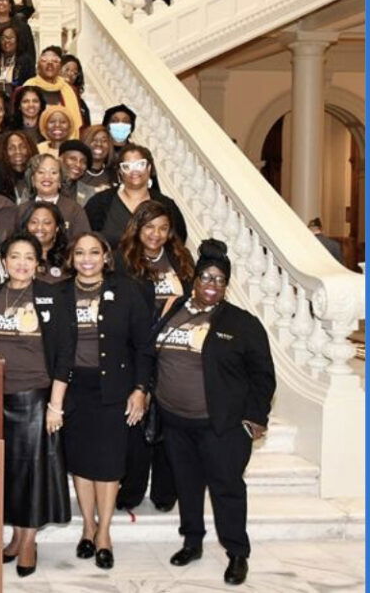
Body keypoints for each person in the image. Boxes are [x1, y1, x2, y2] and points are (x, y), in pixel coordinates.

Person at [154, 239, 275, 586]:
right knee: (188, 486)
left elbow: (263, 376)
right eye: (206, 277)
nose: (212, 285)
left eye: (220, 280)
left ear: (226, 285)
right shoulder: (173, 309)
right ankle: (192, 542)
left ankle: (237, 553)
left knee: (227, 489)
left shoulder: (242, 323)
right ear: (195, 279)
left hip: (220, 426)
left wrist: (254, 419)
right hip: (175, 422)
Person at [42, 232, 152, 571]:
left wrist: (140, 389)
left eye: (94, 252)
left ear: (106, 256)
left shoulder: (127, 291)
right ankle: (87, 527)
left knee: (108, 464)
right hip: (75, 390)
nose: (86, 259)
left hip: (114, 388)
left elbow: (144, 347)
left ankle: (104, 532)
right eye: (79, 253)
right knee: (81, 463)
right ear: (71, 259)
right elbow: (57, 349)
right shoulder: (59, 294)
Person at [0, 233, 71, 575]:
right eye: (14, 256)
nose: (21, 263)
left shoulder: (51, 296)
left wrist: (55, 405)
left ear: (37, 263)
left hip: (34, 396)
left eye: (28, 257)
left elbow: (64, 353)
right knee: (9, 473)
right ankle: (16, 537)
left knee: (32, 473)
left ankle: (28, 542)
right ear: (4, 261)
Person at [115, 199, 195, 514]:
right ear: (138, 227)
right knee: (136, 422)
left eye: (163, 228)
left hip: (174, 352)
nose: (156, 234)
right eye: (150, 227)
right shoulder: (123, 261)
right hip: (136, 349)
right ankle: (132, 488)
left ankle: (165, 491)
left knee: (171, 423)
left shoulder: (181, 258)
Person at [85, 144, 187, 249]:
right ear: (120, 172)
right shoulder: (99, 203)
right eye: (127, 166)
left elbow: (178, 243)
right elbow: (86, 241)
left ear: (149, 168)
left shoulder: (166, 204)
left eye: (139, 165)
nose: (134, 171)